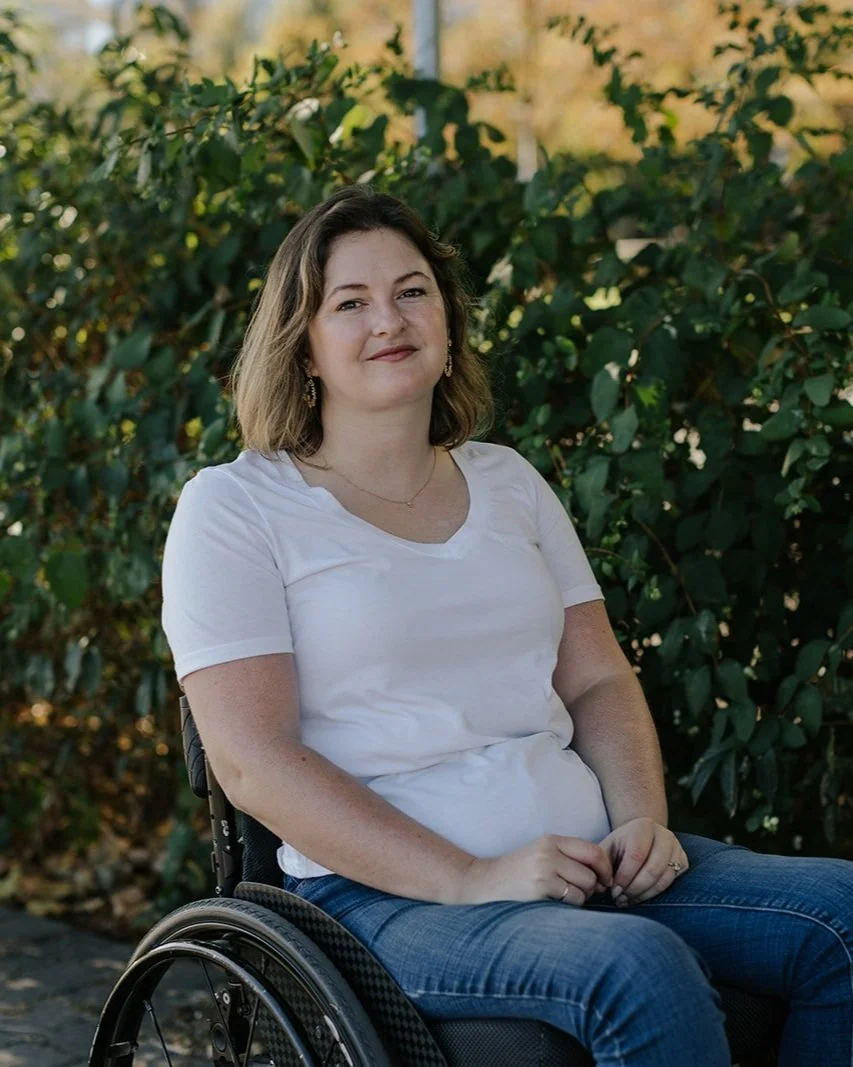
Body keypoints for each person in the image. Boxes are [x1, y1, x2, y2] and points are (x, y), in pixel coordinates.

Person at [161, 184, 853, 1067]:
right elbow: (253, 760)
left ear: (449, 323)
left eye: (412, 291)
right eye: (350, 302)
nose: (389, 319)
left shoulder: (508, 481)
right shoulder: (236, 507)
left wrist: (641, 819)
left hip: (585, 859)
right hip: (381, 898)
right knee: (636, 968)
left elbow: (596, 678)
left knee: (839, 918)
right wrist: (471, 876)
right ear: (303, 346)